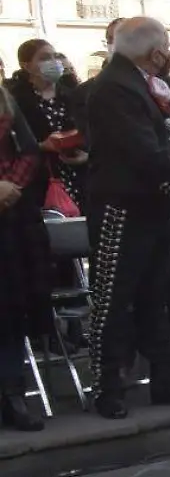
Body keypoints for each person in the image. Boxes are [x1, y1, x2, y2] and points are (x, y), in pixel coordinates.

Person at [80, 18, 170, 419]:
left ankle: (166, 379)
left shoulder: (151, 85)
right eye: (166, 46)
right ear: (155, 51)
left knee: (159, 293)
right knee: (114, 298)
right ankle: (107, 385)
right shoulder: (112, 88)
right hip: (121, 205)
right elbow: (139, 146)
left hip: (153, 204)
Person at [0, 86, 52, 431]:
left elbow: (31, 150)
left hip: (13, 221)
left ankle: (12, 393)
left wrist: (8, 186)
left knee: (9, 310)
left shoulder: (8, 105)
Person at [8, 39, 88, 213]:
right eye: (44, 58)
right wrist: (41, 146)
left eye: (54, 56)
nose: (53, 62)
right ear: (27, 66)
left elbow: (91, 133)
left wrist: (85, 154)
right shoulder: (16, 100)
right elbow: (10, 145)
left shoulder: (71, 95)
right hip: (37, 179)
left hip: (76, 177)